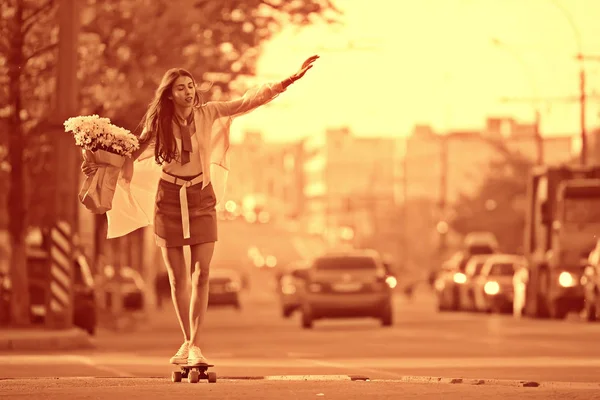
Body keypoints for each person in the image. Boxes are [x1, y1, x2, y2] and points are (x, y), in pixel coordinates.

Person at [82, 55, 319, 366]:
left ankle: (194, 344)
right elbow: (131, 151)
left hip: (201, 197)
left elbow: (246, 101)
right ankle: (187, 341)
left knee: (202, 272)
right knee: (178, 278)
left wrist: (286, 82)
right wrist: (96, 143)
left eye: (191, 86)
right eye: (181, 88)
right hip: (167, 198)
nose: (188, 92)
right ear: (169, 94)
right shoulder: (158, 124)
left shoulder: (209, 113)